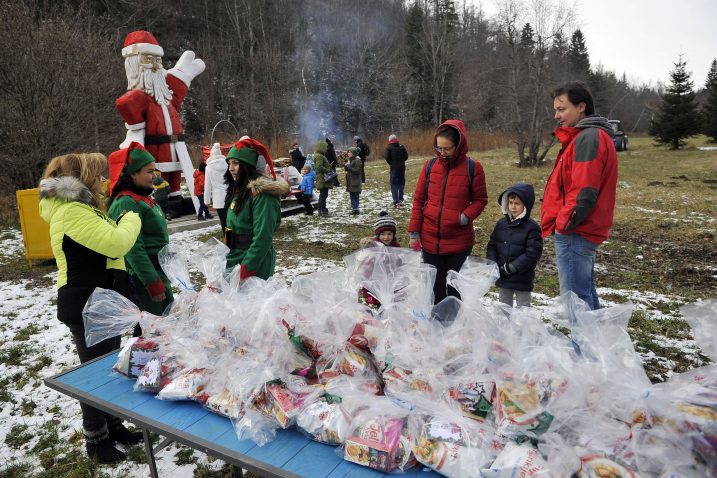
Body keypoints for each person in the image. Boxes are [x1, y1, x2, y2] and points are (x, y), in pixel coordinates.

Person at [39, 152, 143, 463]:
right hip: (85, 302)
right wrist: (131, 217)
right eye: (98, 175)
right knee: (94, 374)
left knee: (108, 366)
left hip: (99, 299)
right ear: (82, 178)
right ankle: (96, 440)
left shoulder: (81, 208)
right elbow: (115, 243)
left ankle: (113, 425)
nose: (103, 181)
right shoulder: (71, 212)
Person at [542, 81, 618, 310]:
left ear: (581, 106)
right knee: (583, 293)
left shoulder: (588, 137)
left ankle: (583, 347)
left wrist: (563, 224)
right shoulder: (586, 136)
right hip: (579, 229)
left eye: (562, 109)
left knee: (575, 299)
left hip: (575, 230)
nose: (556, 115)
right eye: (556, 109)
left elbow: (584, 191)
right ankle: (593, 345)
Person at [115, 30, 204, 199]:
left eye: (158, 60)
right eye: (149, 59)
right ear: (135, 63)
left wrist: (181, 77)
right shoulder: (140, 98)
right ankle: (161, 200)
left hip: (178, 147)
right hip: (154, 148)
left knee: (176, 172)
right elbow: (126, 106)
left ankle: (176, 197)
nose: (156, 65)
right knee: (158, 174)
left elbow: (175, 96)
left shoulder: (165, 95)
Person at [408, 119, 488, 304]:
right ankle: (435, 325)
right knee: (434, 288)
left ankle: (453, 327)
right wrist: (414, 232)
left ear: (459, 145)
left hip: (458, 242)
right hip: (430, 240)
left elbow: (480, 200)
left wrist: (463, 217)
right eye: (439, 148)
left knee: (454, 290)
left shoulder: (473, 168)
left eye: (447, 149)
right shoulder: (429, 166)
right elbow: (419, 200)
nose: (442, 153)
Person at [108, 143, 173, 318]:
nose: (154, 176)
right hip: (144, 276)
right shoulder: (127, 202)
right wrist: (151, 282)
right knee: (153, 330)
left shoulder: (144, 199)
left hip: (159, 271)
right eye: (149, 172)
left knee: (166, 325)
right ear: (133, 174)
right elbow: (133, 248)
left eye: (155, 171)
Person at [224, 137, 289, 280]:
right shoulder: (239, 191)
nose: (231, 168)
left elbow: (263, 237)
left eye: (236, 163)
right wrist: (227, 249)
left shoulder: (263, 195)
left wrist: (247, 268)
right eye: (229, 163)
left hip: (254, 262)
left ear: (247, 165)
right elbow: (230, 224)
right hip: (235, 257)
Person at [486, 183, 543, 307]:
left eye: (517, 204)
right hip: (503, 275)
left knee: (523, 307)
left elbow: (533, 253)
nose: (513, 207)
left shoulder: (532, 228)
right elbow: (492, 245)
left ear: (526, 206)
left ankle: (522, 326)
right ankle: (504, 326)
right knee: (503, 305)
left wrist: (513, 267)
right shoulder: (501, 224)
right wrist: (493, 263)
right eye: (511, 203)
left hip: (522, 277)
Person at [204, 142, 229, 231]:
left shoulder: (208, 167)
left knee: (223, 222)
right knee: (231, 220)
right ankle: (234, 240)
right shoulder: (227, 164)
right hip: (229, 196)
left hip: (218, 198)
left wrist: (206, 201)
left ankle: (228, 241)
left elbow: (207, 186)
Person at [384, 134, 409, 207]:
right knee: (401, 183)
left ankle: (395, 201)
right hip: (402, 167)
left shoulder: (388, 148)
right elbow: (406, 156)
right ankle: (400, 199)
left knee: (394, 184)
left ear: (390, 140)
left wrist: (391, 163)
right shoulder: (401, 146)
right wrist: (401, 161)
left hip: (394, 168)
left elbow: (387, 157)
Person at [313, 139, 333, 216]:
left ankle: (321, 210)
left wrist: (328, 166)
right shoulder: (319, 156)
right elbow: (319, 167)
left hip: (322, 177)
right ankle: (322, 210)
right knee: (323, 195)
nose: (326, 149)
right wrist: (328, 170)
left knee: (324, 194)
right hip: (322, 178)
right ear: (322, 147)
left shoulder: (319, 155)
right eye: (325, 147)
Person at [345, 146, 363, 215]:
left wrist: (349, 167)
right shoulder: (350, 159)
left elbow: (357, 171)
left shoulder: (357, 160)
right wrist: (346, 166)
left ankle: (356, 209)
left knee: (355, 195)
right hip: (350, 181)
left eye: (349, 152)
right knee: (351, 194)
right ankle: (354, 208)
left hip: (355, 181)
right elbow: (349, 170)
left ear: (353, 153)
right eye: (348, 152)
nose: (348, 153)